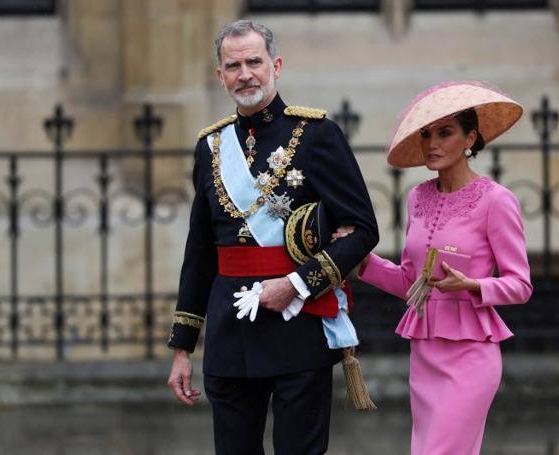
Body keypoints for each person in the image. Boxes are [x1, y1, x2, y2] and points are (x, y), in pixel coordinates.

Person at [166, 19, 378, 455]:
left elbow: (363, 230)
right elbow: (200, 252)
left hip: (296, 325)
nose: (245, 73)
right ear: (219, 76)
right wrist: (182, 347)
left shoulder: (318, 135)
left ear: (275, 65)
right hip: (230, 331)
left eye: (254, 62)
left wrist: (297, 285)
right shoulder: (210, 147)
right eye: (233, 65)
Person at [337, 81, 533, 454]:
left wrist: (474, 285)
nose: (432, 143)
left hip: (471, 356)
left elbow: (520, 284)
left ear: (470, 138)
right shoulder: (417, 197)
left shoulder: (496, 200)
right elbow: (411, 282)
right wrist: (362, 260)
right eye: (427, 134)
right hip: (424, 354)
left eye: (445, 133)